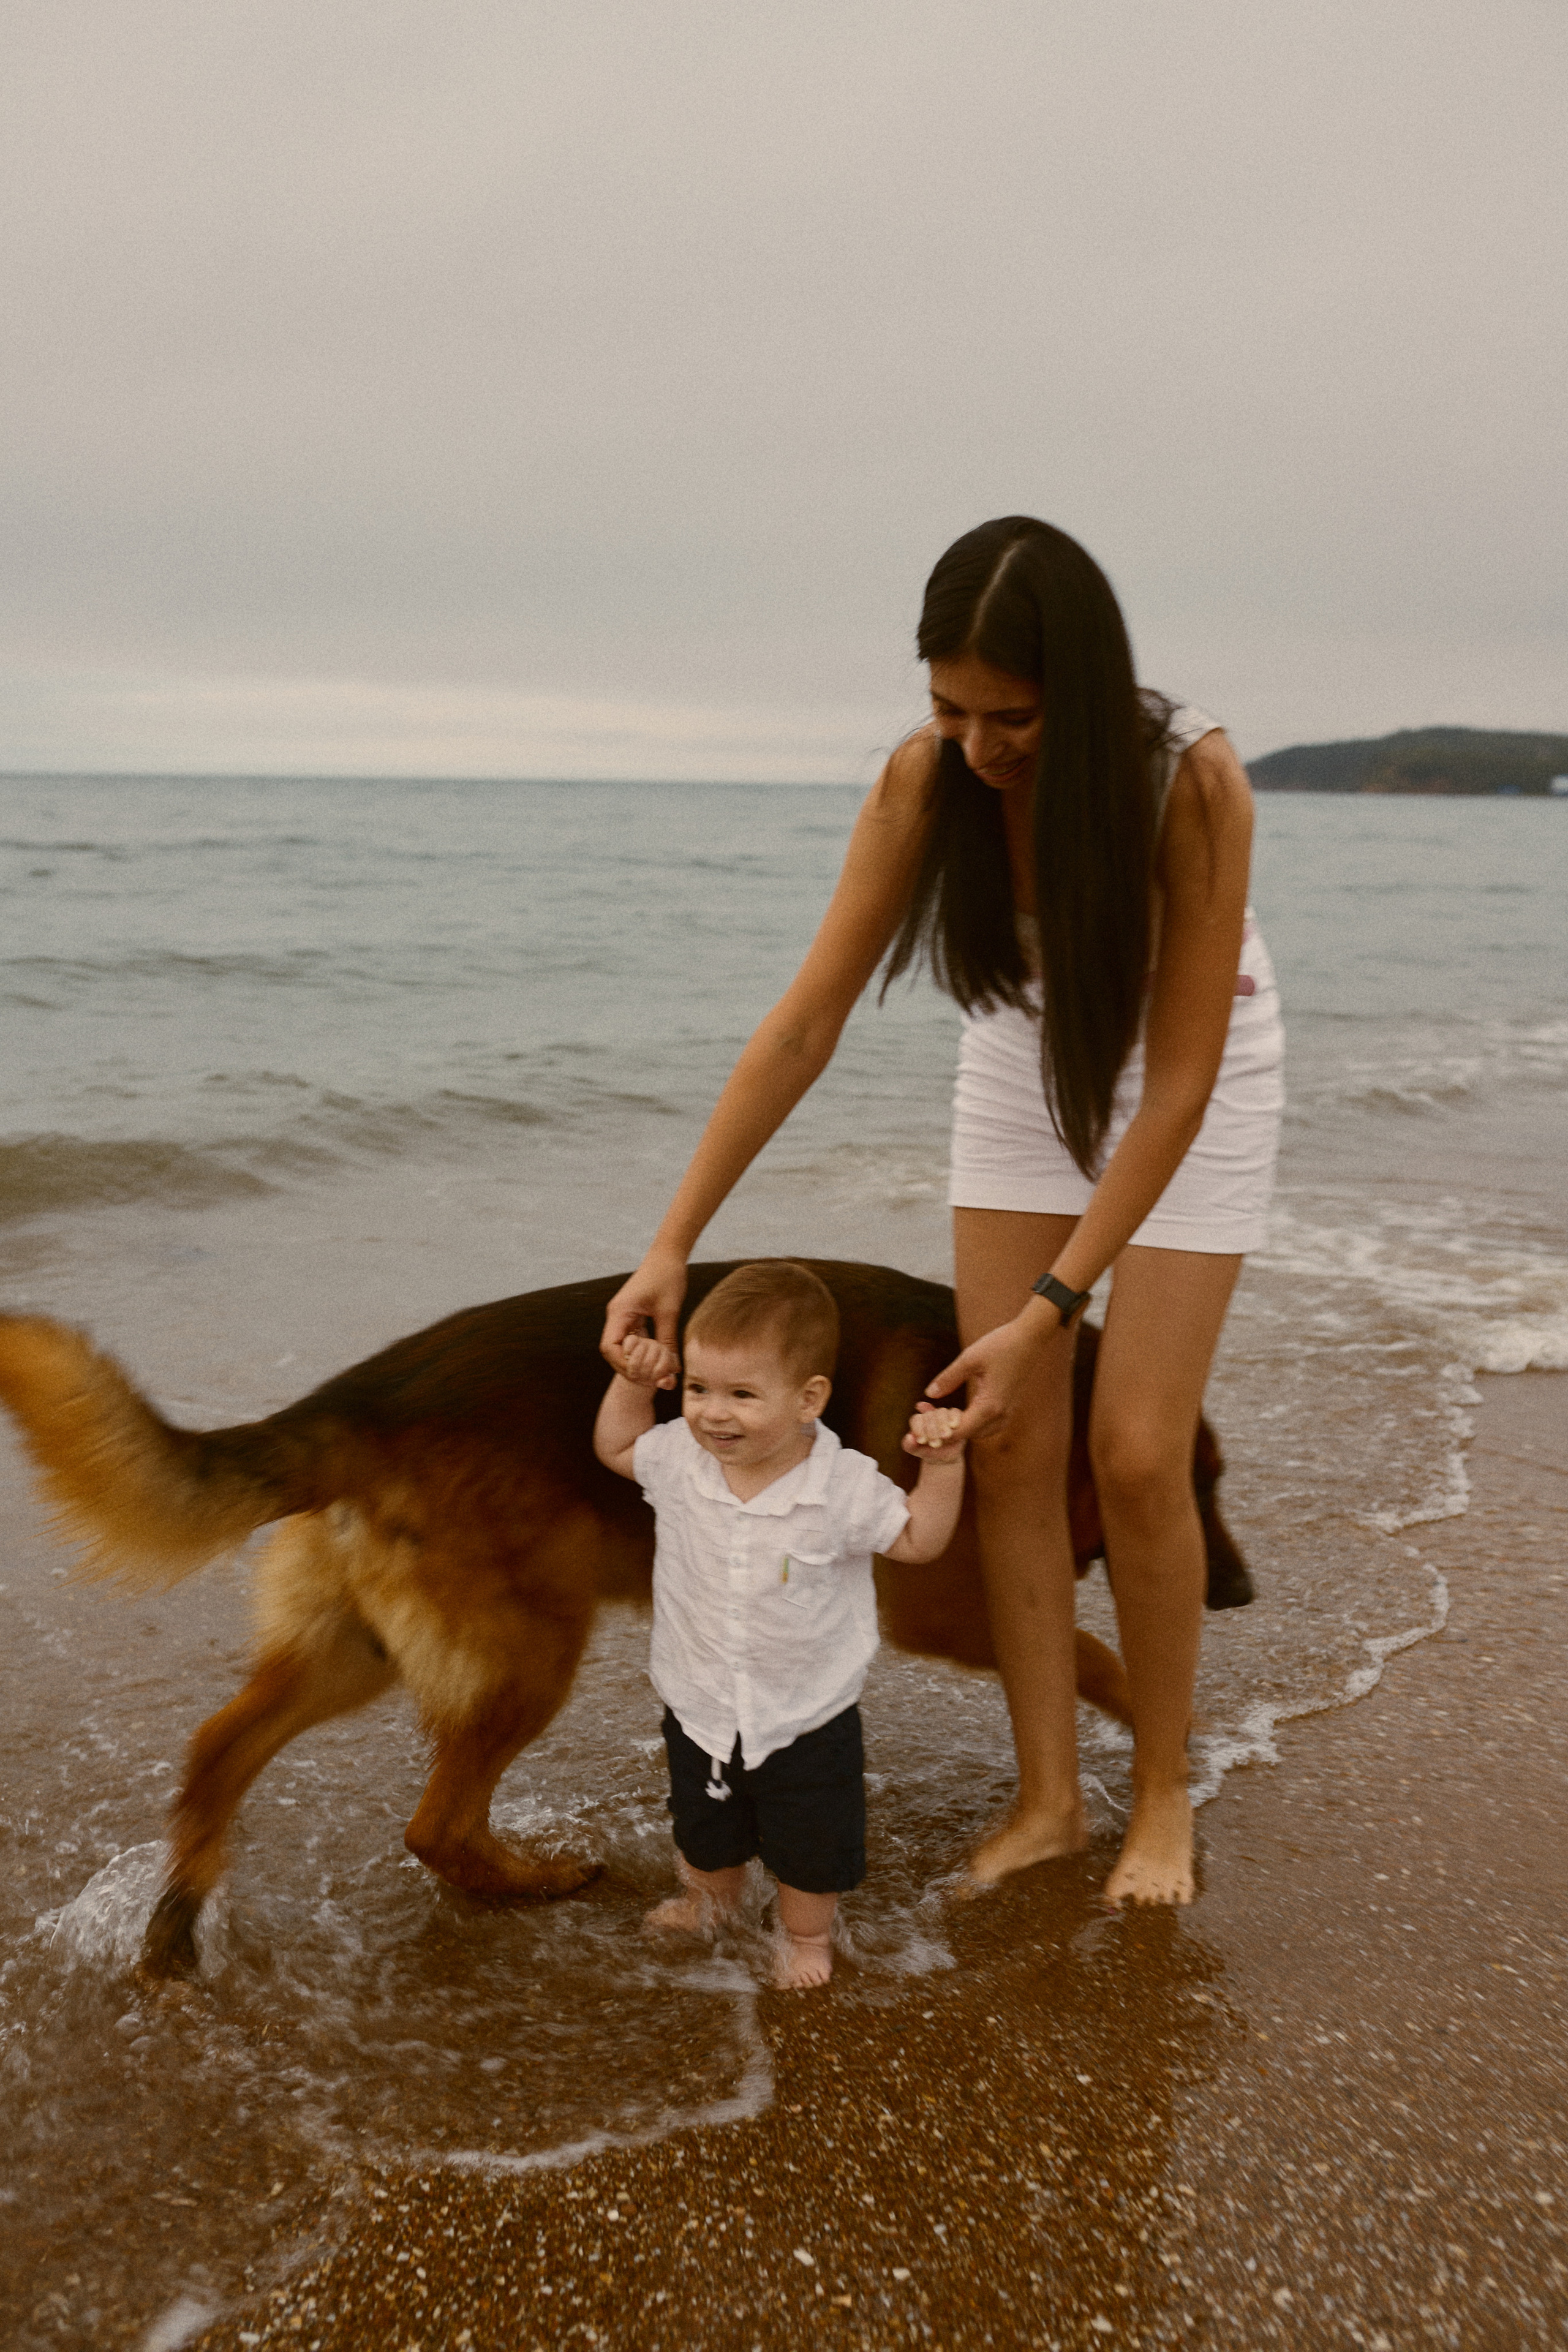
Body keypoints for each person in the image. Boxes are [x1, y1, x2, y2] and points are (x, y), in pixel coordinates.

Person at [600, 517, 1284, 1909]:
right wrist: (669, 1239)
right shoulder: (925, 781)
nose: (977, 746)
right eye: (947, 708)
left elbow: (1180, 1088)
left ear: (1081, 695)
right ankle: (1047, 1799)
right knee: (1008, 1438)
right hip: (1015, 1061)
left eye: (1012, 716)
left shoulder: (1191, 782)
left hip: (1182, 1078)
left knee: (1140, 1451)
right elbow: (802, 1028)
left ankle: (1158, 1797)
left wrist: (1051, 1309)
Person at [593, 1260, 967, 1986]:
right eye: (698, 1388)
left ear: (808, 1399)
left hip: (805, 1714)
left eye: (741, 1394)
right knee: (704, 1831)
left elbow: (919, 1540)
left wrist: (944, 1464)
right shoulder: (678, 1459)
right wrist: (636, 1381)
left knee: (810, 1846)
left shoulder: (842, 1486)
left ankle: (806, 1939)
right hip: (700, 1701)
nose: (712, 1412)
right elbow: (614, 1448)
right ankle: (710, 1904)